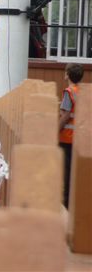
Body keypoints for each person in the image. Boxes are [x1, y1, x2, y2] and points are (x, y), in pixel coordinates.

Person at [59, 62, 83, 208]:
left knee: (67, 175)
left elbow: (65, 115)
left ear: (67, 74)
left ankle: (67, 207)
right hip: (80, 139)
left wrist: (55, 130)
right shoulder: (83, 91)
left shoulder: (69, 92)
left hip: (67, 138)